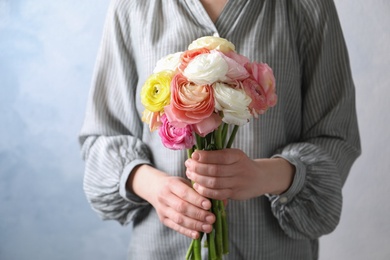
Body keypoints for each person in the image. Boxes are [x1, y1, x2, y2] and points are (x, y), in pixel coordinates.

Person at [79, 0, 361, 259]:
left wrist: (264, 176)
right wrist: (154, 187)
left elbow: (335, 135)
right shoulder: (132, 7)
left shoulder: (306, 6)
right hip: (161, 249)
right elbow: (103, 137)